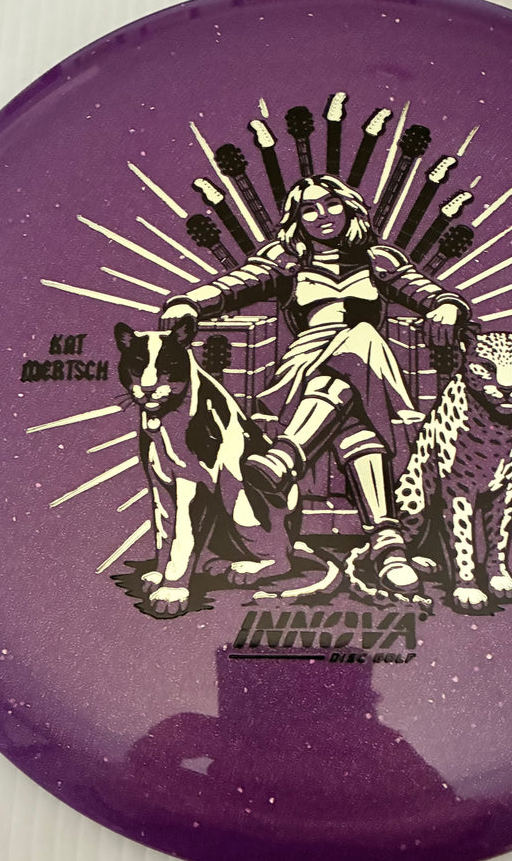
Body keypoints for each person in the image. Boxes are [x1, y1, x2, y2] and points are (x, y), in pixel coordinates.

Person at [158, 174, 469, 594]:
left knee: (360, 349)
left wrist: (448, 306)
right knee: (359, 370)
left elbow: (425, 291)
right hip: (303, 370)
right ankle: (388, 546)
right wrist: (189, 302)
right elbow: (234, 285)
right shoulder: (286, 260)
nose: (323, 215)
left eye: (331, 204)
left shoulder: (378, 260)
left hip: (364, 373)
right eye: (309, 209)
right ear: (297, 219)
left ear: (349, 207)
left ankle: (286, 456)